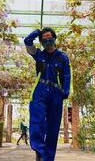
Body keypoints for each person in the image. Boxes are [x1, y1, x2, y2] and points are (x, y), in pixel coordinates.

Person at [24, 27, 72, 161]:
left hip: (56, 93)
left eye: (49, 37)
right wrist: (37, 33)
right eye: (44, 39)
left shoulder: (63, 57)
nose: (47, 40)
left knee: (53, 127)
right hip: (40, 90)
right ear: (41, 41)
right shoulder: (38, 54)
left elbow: (67, 76)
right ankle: (39, 150)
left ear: (55, 38)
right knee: (36, 121)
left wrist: (65, 92)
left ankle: (47, 158)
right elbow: (27, 41)